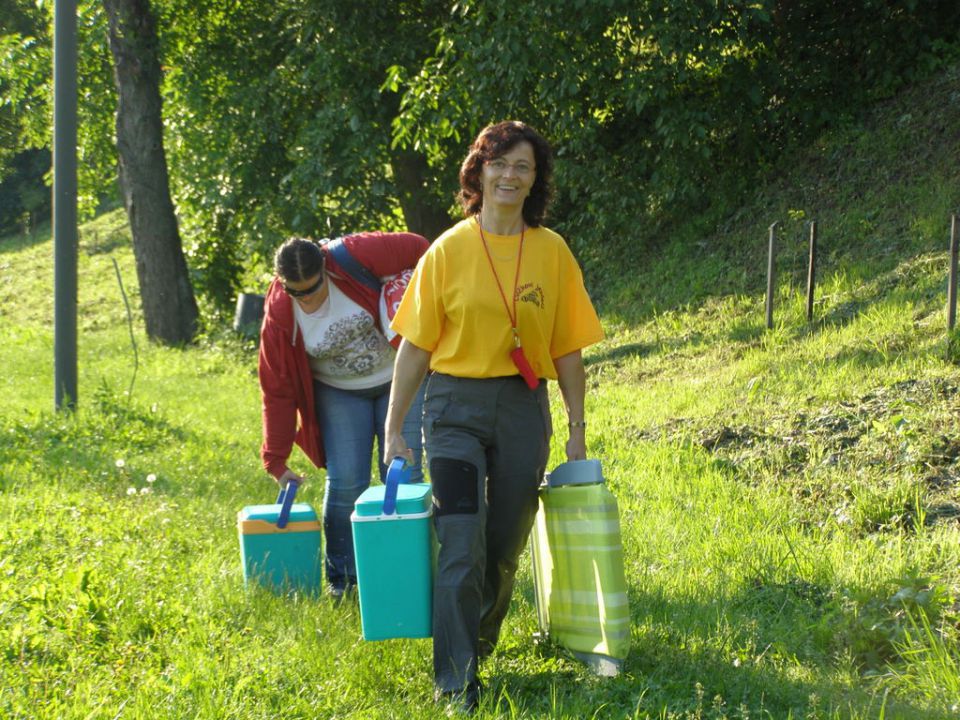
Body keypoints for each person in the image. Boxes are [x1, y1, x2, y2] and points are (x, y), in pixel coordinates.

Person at [383, 121, 604, 713]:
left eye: (523, 167)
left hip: (522, 408)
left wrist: (576, 429)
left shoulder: (552, 251)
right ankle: (455, 679)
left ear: (537, 180)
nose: (510, 175)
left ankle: (475, 640)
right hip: (453, 407)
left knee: (503, 543)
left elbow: (567, 349)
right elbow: (415, 347)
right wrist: (394, 427)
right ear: (478, 173)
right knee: (460, 540)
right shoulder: (448, 250)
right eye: (499, 164)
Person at [259, 231, 429, 598]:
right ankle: (344, 582)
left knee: (403, 474)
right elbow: (277, 388)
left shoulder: (355, 256)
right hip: (338, 392)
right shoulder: (279, 314)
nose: (306, 298)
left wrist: (413, 297)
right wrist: (275, 459)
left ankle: (410, 573)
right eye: (296, 291)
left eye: (312, 288)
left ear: (326, 269)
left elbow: (423, 250)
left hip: (398, 378)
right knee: (346, 483)